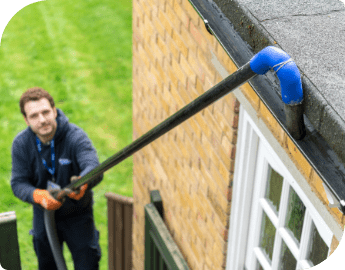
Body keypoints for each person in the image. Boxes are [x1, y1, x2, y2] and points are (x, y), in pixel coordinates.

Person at [11, 87, 103, 269]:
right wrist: (38, 196)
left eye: (45, 112)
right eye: (34, 116)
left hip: (78, 215)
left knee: (88, 263)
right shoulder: (21, 144)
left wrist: (82, 184)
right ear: (26, 120)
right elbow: (18, 182)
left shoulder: (75, 137)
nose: (42, 120)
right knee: (47, 265)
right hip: (43, 215)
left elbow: (94, 167)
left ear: (54, 110)